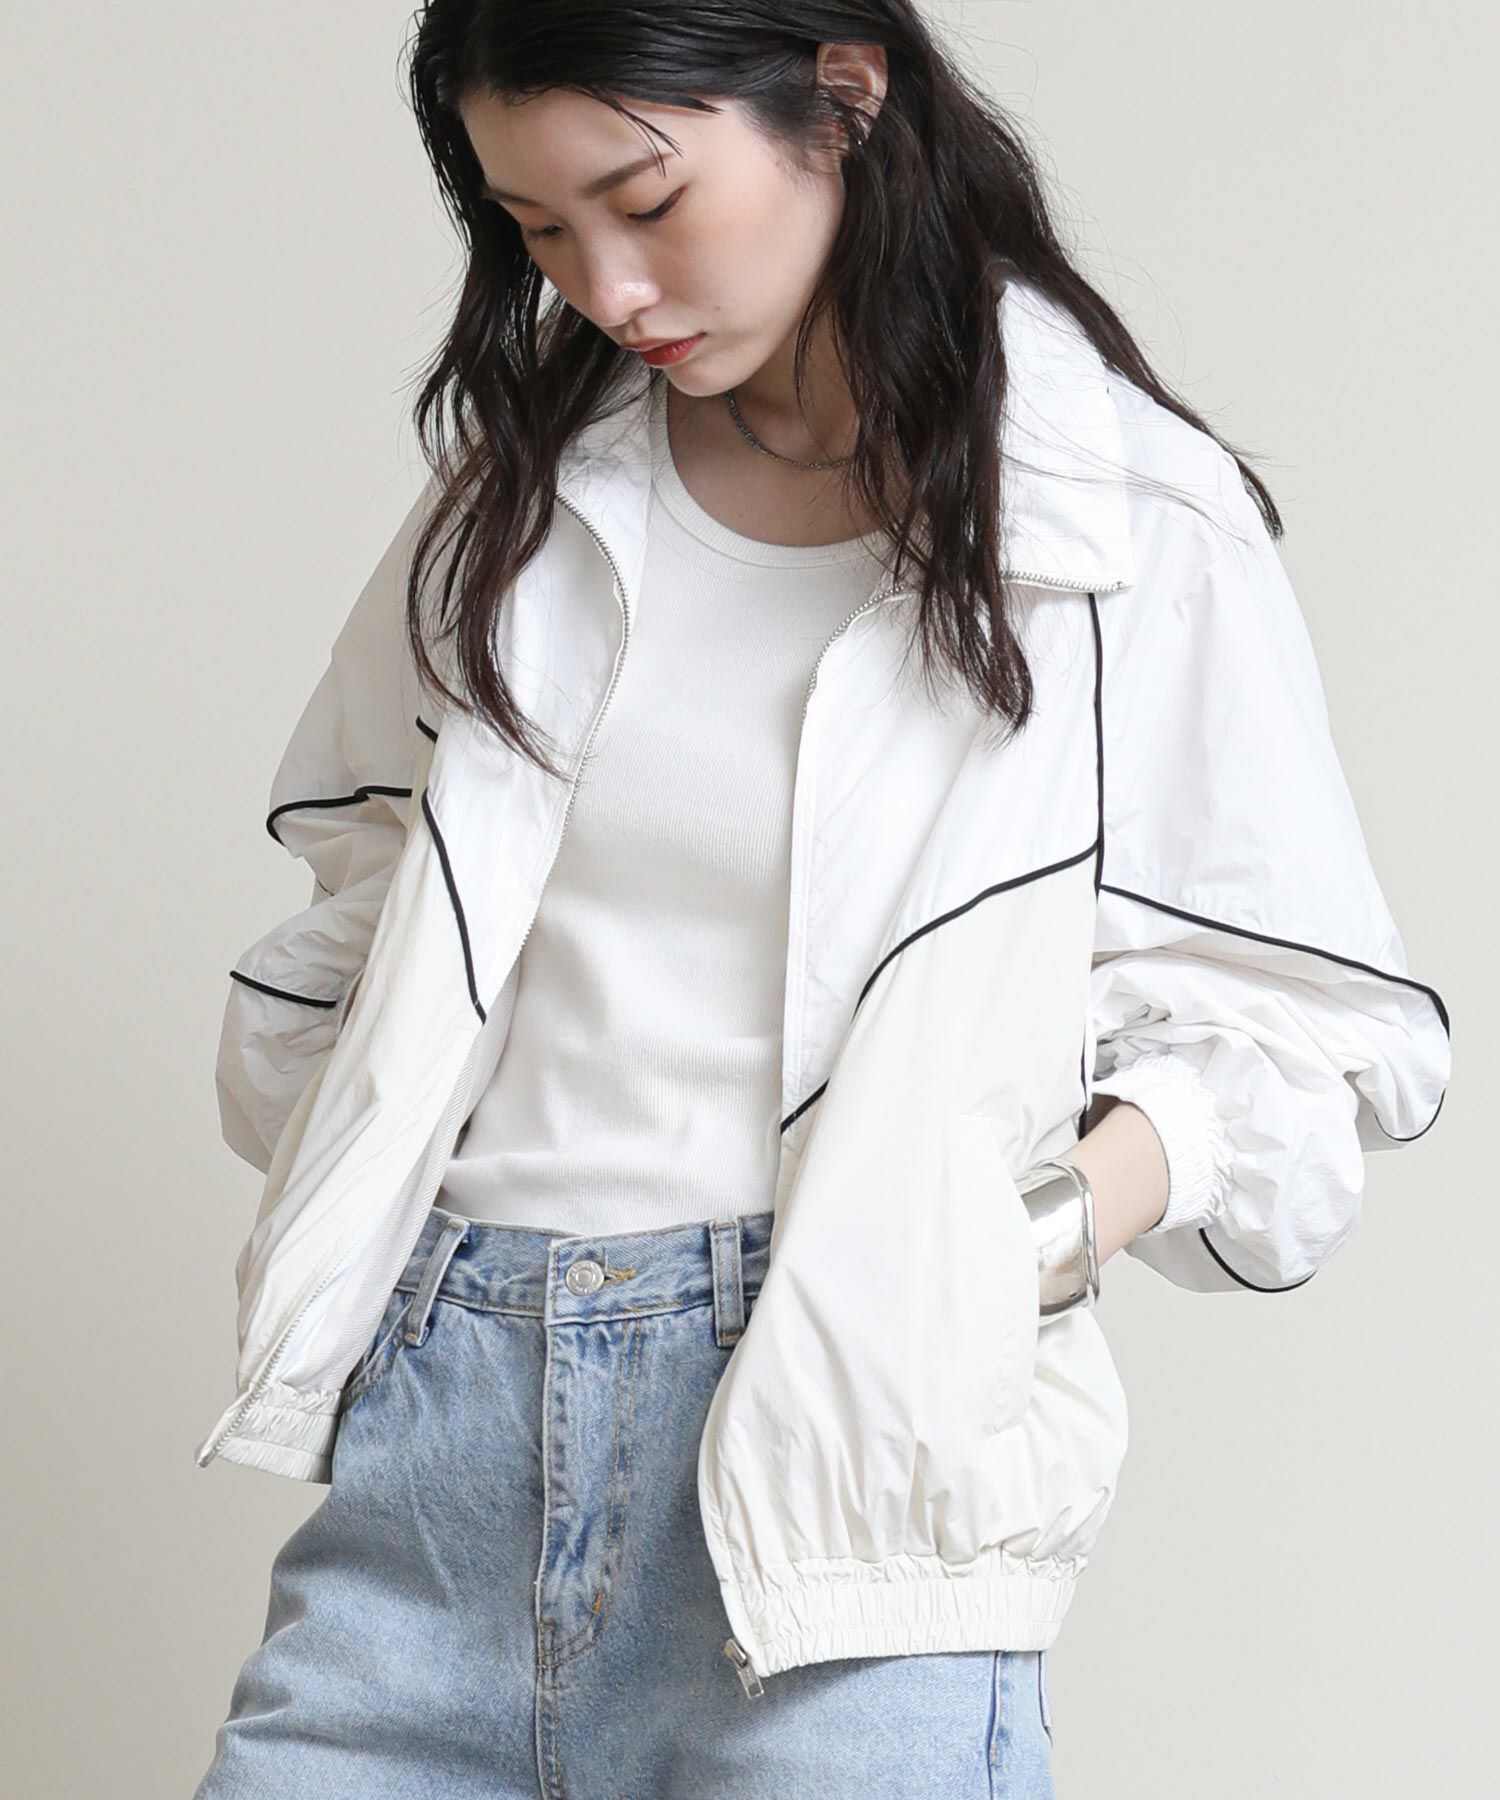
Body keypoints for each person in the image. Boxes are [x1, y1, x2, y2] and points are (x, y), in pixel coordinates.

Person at [191, 4, 1452, 1795]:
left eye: (647, 200)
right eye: (541, 229)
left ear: (841, 97)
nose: (608, 286)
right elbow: (370, 888)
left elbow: (1307, 1040)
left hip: (844, 1499)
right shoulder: (527, 499)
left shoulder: (1113, 521)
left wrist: (1002, 1241)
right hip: (446, 1451)